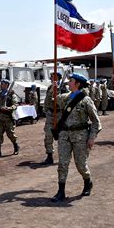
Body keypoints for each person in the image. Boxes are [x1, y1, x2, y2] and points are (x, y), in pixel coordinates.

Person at [51, 73, 101, 202]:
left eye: (71, 81)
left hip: (80, 136)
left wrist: (92, 138)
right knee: (62, 164)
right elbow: (53, 101)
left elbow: (96, 121)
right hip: (64, 135)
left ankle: (87, 182)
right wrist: (54, 87)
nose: (68, 83)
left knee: (80, 165)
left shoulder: (86, 100)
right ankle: (60, 191)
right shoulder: (64, 98)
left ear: (77, 83)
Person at [41, 72, 68, 165]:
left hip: (60, 114)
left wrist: (58, 97)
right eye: (52, 77)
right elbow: (47, 101)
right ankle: (49, 156)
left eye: (55, 77)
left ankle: (63, 156)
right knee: (48, 136)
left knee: (62, 136)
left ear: (59, 78)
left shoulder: (64, 88)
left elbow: (67, 101)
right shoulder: (50, 88)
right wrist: (52, 90)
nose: (53, 79)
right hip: (50, 114)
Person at [0, 79, 20, 158]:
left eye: (2, 83)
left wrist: (8, 108)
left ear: (6, 85)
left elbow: (15, 105)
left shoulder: (11, 95)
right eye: (1, 83)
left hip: (8, 118)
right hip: (0, 118)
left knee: (10, 134)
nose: (1, 85)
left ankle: (16, 146)